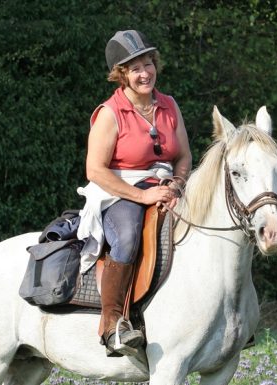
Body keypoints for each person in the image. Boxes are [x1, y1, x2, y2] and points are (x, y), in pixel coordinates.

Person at [77, 30, 192, 356]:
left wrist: (177, 184)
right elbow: (95, 170)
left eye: (148, 64)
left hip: (166, 187)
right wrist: (142, 197)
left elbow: (183, 155)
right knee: (127, 236)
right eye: (135, 68)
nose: (145, 73)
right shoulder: (110, 113)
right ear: (121, 74)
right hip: (120, 192)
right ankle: (112, 325)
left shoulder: (169, 105)